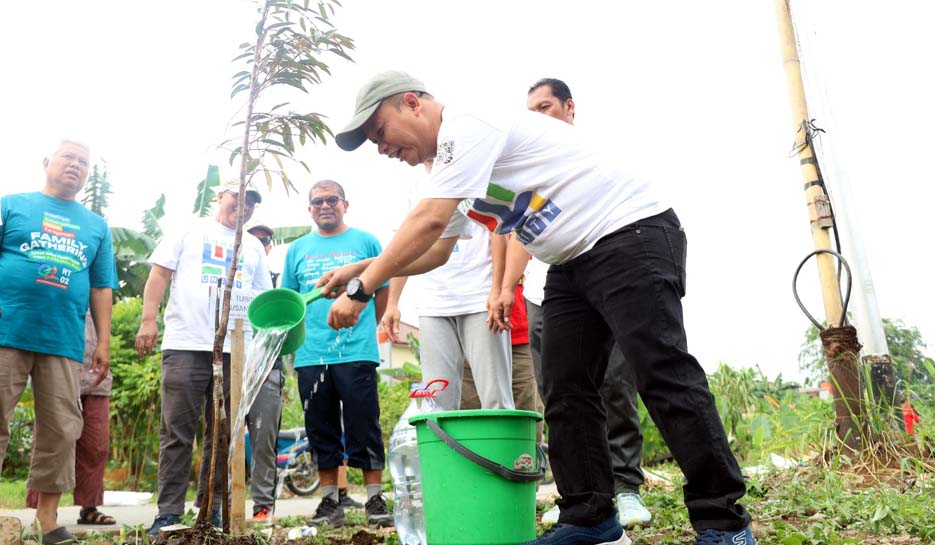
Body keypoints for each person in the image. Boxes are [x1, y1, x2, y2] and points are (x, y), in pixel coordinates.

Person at [320, 71, 756, 545]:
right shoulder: (453, 167)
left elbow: (427, 222)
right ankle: (590, 518)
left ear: (412, 103)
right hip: (570, 261)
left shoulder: (466, 127)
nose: (380, 148)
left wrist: (364, 287)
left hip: (630, 233)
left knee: (661, 372)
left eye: (380, 132)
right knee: (566, 389)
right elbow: (438, 249)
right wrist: (361, 269)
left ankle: (725, 523)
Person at [510, 78, 651, 528]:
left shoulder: (589, 157)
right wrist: (504, 287)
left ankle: (626, 486)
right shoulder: (523, 166)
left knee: (613, 385)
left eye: (546, 106)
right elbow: (515, 229)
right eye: (530, 109)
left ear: (570, 108)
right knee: (560, 395)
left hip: (600, 281)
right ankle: (585, 497)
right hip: (543, 293)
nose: (538, 116)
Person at [136, 178, 272, 536]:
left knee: (224, 434)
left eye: (251, 203)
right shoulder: (189, 230)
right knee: (177, 431)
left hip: (235, 351)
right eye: (237, 198)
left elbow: (262, 299)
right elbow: (159, 274)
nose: (243, 207)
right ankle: (168, 514)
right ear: (220, 196)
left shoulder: (254, 246)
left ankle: (210, 510)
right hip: (185, 344)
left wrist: (262, 347)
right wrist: (148, 320)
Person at [0, 140, 117, 545]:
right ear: (46, 162)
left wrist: (102, 342)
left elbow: (102, 287)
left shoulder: (96, 226)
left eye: (84, 162)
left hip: (65, 341)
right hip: (6, 333)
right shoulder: (10, 205)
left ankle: (47, 521)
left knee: (62, 430)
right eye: (69, 157)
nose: (76, 165)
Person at [280, 179, 393, 529]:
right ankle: (330, 502)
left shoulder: (366, 241)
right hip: (311, 354)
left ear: (346, 204)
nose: (324, 206)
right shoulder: (296, 250)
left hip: (356, 351)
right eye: (317, 202)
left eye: (331, 200)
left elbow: (383, 287)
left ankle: (375, 497)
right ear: (309, 209)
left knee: (364, 423)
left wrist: (373, 329)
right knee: (320, 427)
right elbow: (289, 301)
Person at [381, 213, 514, 412]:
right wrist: (392, 302)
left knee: (496, 397)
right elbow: (404, 246)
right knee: (436, 400)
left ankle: (501, 443)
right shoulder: (414, 189)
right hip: (433, 303)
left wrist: (497, 290)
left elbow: (497, 230)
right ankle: (443, 444)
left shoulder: (478, 182)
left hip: (480, 298)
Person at [26, 314, 117, 527]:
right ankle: (45, 510)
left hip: (95, 374)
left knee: (96, 444)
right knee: (51, 438)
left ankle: (89, 506)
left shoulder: (99, 289)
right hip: (56, 365)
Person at [244, 223, 284, 523]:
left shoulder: (278, 281)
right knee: (219, 436)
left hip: (268, 365)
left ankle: (262, 506)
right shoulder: (234, 274)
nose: (261, 243)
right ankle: (215, 503)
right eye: (253, 239)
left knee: (263, 439)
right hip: (228, 359)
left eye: (265, 240)